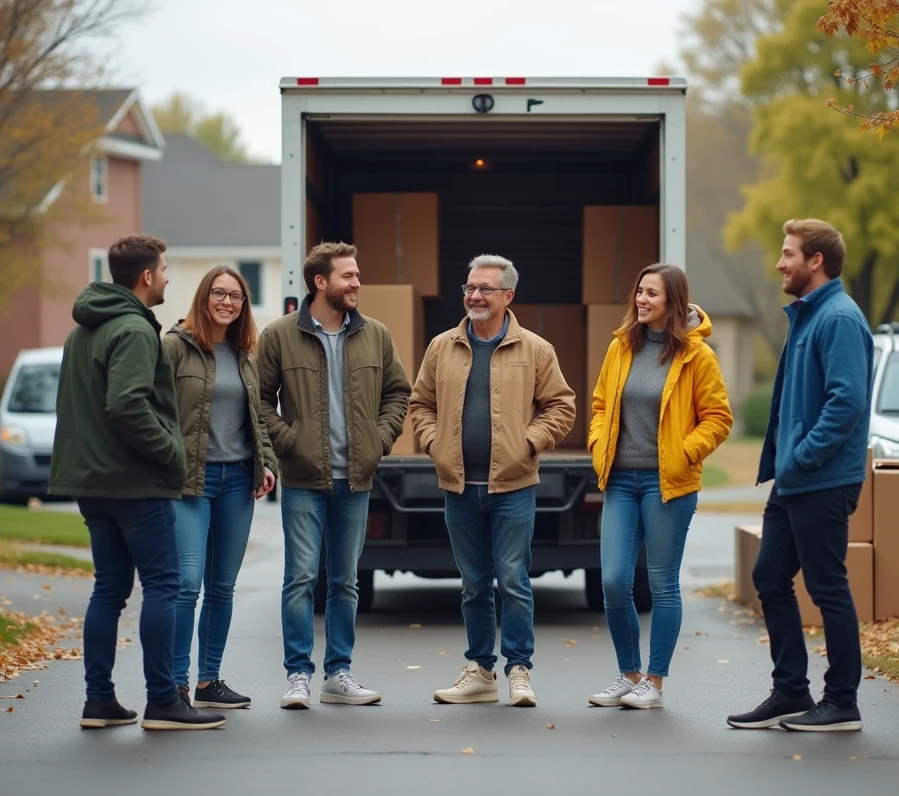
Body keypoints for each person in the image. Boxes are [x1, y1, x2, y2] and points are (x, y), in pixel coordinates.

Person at [49, 234, 225, 731]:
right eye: (165, 269)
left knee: (108, 589)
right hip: (133, 483)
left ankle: (99, 702)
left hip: (91, 482)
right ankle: (164, 701)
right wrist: (171, 451)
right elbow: (126, 405)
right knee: (163, 585)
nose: (168, 277)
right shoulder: (133, 329)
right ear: (146, 276)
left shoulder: (82, 330)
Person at [410, 254, 576, 708]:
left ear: (508, 296)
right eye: (470, 287)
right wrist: (434, 442)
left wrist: (529, 442)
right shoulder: (442, 347)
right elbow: (420, 404)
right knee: (474, 584)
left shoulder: (536, 349)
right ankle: (480, 672)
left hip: (513, 486)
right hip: (460, 487)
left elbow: (562, 406)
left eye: (485, 288)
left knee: (514, 581)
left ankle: (519, 670)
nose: (475, 296)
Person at [727, 218, 872, 732]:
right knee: (769, 576)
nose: (779, 263)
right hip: (796, 479)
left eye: (788, 254)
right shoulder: (809, 316)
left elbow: (847, 402)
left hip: (822, 478)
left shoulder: (839, 318)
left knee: (827, 586)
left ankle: (842, 702)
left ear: (816, 261)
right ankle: (791, 690)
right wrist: (788, 464)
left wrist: (803, 456)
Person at [257, 241, 411, 709]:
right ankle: (298, 676)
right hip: (303, 479)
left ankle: (338, 673)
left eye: (357, 275)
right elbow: (258, 400)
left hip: (355, 480)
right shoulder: (279, 335)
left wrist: (379, 440)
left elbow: (398, 393)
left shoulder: (376, 334)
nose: (357, 282)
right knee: (301, 578)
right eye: (349, 275)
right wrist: (288, 442)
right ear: (320, 282)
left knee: (345, 580)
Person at [586, 263, 733, 710]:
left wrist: (684, 452)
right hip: (620, 480)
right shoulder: (621, 348)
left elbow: (718, 418)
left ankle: (654, 682)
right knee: (613, 580)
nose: (641, 300)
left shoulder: (696, 355)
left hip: (667, 482)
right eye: (639, 291)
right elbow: (600, 405)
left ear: (673, 301)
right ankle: (629, 675)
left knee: (663, 584)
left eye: (651, 293)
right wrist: (597, 444)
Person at [162, 266, 278, 711]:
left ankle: (209, 681)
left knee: (222, 587)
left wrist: (266, 463)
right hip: (190, 480)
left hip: (237, 480)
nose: (227, 302)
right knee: (187, 583)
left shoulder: (245, 353)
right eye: (218, 293)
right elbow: (156, 411)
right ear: (203, 297)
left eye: (236, 296)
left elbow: (257, 417)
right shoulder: (175, 346)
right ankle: (175, 684)